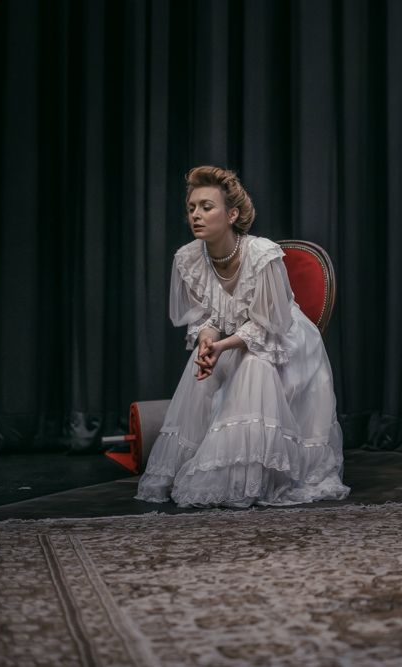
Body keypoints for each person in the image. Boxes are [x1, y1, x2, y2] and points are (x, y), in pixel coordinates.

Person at [136, 166, 349, 508]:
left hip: (284, 339)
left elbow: (270, 326)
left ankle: (253, 476)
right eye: (191, 208)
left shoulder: (262, 254)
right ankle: (215, 470)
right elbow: (205, 317)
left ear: (232, 214)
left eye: (207, 207)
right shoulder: (189, 258)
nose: (196, 215)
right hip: (235, 337)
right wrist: (208, 342)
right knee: (200, 365)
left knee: (255, 368)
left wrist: (223, 345)